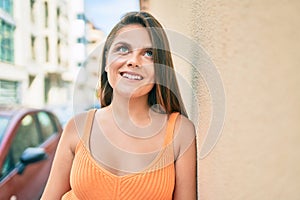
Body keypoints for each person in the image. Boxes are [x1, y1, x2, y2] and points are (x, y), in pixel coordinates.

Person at [41, 11, 196, 200]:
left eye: (148, 53)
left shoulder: (180, 132)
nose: (133, 61)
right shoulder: (77, 127)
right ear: (106, 61)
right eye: (123, 49)